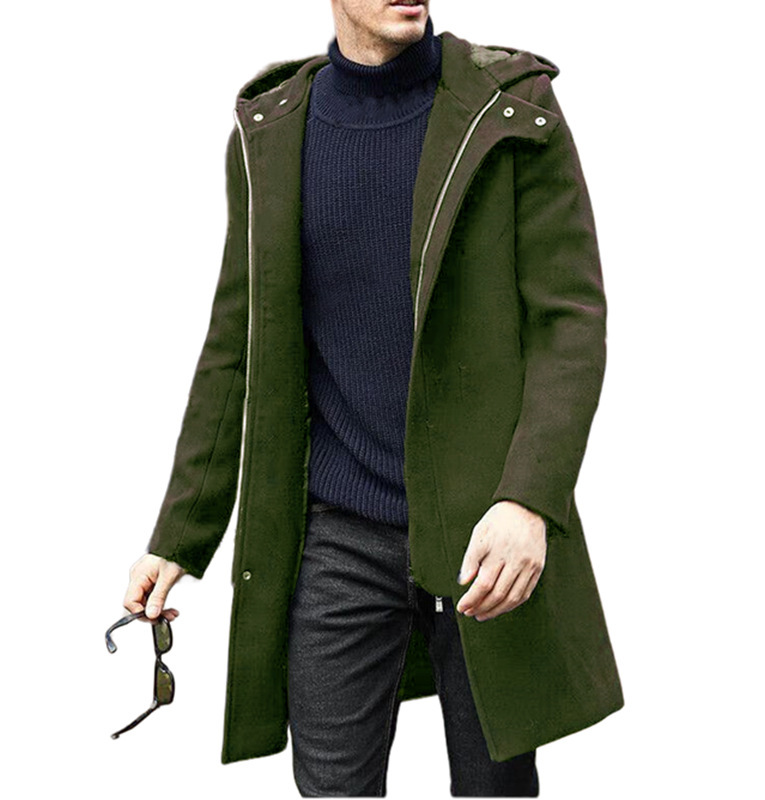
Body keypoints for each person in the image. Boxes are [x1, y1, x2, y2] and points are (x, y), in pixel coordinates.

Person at [122, 1, 624, 795]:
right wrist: (179, 536)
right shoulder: (273, 131)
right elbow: (237, 344)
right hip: (339, 532)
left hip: (482, 530)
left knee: (494, 786)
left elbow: (569, 323)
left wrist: (529, 500)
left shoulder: (507, 105)